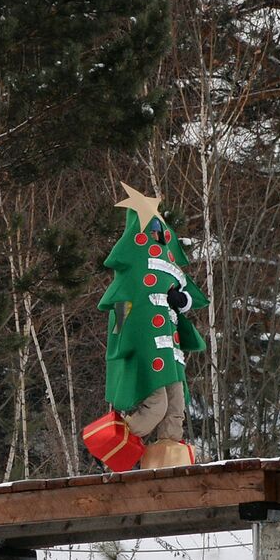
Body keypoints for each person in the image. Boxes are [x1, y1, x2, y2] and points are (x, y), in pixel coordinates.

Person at [99, 184, 208, 468]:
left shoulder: (169, 269)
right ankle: (113, 442)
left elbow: (183, 298)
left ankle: (168, 458)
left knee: (176, 409)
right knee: (156, 405)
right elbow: (119, 322)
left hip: (170, 351)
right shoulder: (131, 280)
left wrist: (180, 300)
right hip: (148, 353)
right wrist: (122, 345)